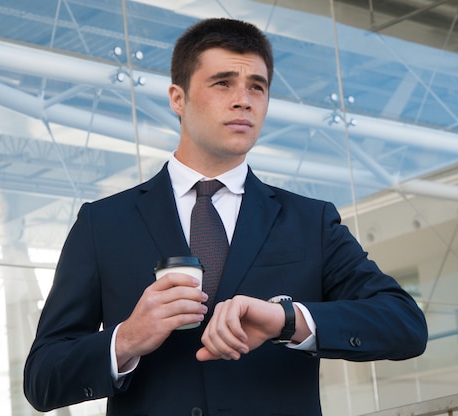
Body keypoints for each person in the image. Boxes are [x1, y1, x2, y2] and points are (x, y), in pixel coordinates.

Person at [24, 17, 427, 416]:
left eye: (257, 86)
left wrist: (286, 319)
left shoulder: (310, 222)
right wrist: (126, 339)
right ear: (177, 98)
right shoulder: (103, 224)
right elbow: (42, 379)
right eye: (222, 83)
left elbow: (404, 324)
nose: (244, 99)